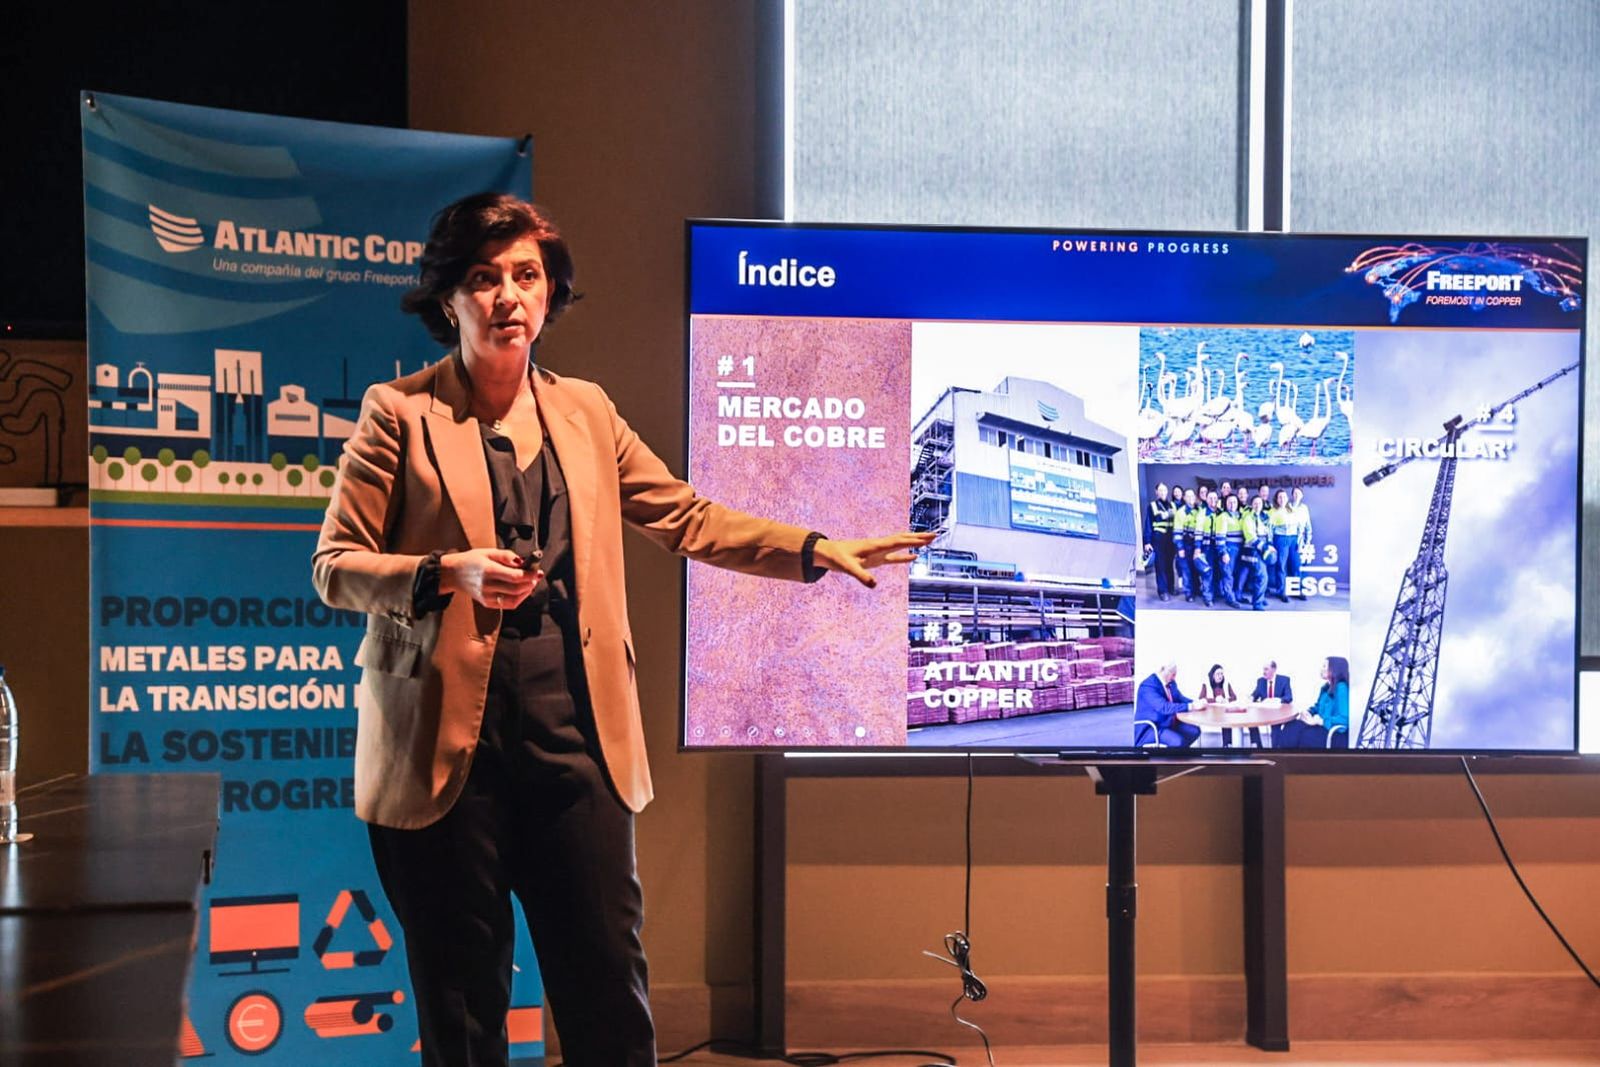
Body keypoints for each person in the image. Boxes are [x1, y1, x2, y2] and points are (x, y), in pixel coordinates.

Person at [311, 193, 931, 1066]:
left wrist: (813, 546)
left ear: (551, 292)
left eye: (527, 276)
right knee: (463, 1014)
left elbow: (686, 515)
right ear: (448, 298)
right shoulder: (399, 413)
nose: (507, 298)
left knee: (609, 1001)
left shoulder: (587, 413)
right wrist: (448, 572)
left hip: (578, 743)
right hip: (447, 754)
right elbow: (334, 566)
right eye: (483, 278)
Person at [1277, 656, 1350, 748]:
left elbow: (1345, 719)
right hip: (1322, 727)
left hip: (1334, 734)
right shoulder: (1326, 688)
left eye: (1324, 666)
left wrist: (1321, 721)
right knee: (1291, 725)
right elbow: (1317, 706)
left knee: (1302, 735)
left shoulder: (1341, 688)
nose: (1321, 669)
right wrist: (1308, 712)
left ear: (1335, 669)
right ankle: (1283, 755)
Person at [1134, 661, 1204, 747]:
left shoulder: (1171, 683)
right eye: (1173, 674)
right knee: (1177, 741)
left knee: (1195, 731)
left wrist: (1195, 702)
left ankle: (1179, 755)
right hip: (1152, 727)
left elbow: (1180, 698)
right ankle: (1174, 757)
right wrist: (1191, 706)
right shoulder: (1148, 686)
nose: (1174, 677)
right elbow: (1164, 707)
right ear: (1162, 670)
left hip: (1167, 722)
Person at [1196, 662, 1255, 747]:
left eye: (1221, 674)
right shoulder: (1206, 685)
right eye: (1218, 674)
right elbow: (1201, 699)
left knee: (1227, 719)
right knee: (1225, 718)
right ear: (1212, 675)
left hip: (1224, 712)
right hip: (1211, 714)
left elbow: (1234, 697)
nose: (1220, 676)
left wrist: (1226, 699)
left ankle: (1227, 744)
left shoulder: (1226, 684)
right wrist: (1214, 700)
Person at [1177, 488, 1212, 606]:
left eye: (1193, 496)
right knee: (1186, 570)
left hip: (1197, 544)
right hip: (1185, 544)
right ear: (1184, 498)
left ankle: (1197, 590)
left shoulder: (1200, 510)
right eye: (1188, 496)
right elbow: (1177, 533)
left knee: (1197, 568)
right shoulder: (1181, 512)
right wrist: (1180, 548)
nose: (1191, 498)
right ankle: (1189, 593)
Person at [1143, 482, 1177, 602]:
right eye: (1160, 490)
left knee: (1169, 565)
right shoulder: (1152, 506)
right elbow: (1148, 525)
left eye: (1165, 490)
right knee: (1160, 566)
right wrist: (1147, 542)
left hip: (1170, 540)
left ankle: (1171, 587)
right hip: (1158, 539)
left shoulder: (1172, 505)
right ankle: (1163, 591)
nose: (1163, 492)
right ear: (1156, 492)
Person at [1235, 496, 1271, 610]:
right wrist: (1265, 547)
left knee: (1251, 575)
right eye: (1255, 503)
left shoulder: (1265, 516)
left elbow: (1268, 533)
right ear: (1251, 505)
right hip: (1253, 550)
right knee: (1262, 576)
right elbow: (1250, 537)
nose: (1257, 505)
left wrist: (1270, 545)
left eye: (1259, 503)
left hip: (1262, 549)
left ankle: (1258, 597)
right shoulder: (1248, 518)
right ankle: (1257, 603)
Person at [1252, 659, 1294, 745]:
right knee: (1251, 723)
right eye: (1263, 669)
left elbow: (1289, 697)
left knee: (1275, 728)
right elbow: (1254, 695)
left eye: (1266, 669)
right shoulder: (1261, 681)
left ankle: (1274, 750)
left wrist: (1276, 700)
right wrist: (1249, 698)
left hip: (1278, 713)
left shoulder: (1284, 680)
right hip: (1264, 713)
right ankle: (1258, 747)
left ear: (1274, 669)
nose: (1263, 672)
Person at [1211, 494, 1242, 609]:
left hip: (1239, 548)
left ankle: (1236, 595)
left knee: (1235, 574)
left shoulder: (1239, 515)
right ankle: (1230, 598)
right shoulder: (1223, 517)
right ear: (1225, 503)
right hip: (1229, 549)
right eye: (1229, 502)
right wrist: (1223, 552)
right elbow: (1219, 537)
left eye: (1234, 502)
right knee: (1227, 574)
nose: (1232, 504)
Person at [1268, 488, 1299, 602]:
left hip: (1293, 539)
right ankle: (1281, 591)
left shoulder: (1291, 509)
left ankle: (1295, 590)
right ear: (1276, 499)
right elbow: (1269, 529)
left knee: (1295, 565)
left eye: (1284, 497)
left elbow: (1298, 526)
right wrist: (1270, 542)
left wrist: (1299, 541)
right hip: (1281, 538)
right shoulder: (1272, 511)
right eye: (1280, 497)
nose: (1282, 499)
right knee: (1281, 566)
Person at [1289, 486, 1314, 600]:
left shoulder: (1304, 508)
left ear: (1302, 495)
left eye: (1299, 493)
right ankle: (1293, 590)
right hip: (1289, 539)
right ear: (1292, 495)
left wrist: (1308, 541)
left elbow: (1308, 525)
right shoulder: (1287, 506)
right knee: (1291, 566)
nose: (1297, 495)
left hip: (1301, 541)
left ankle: (1299, 590)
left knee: (1300, 567)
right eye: (1295, 493)